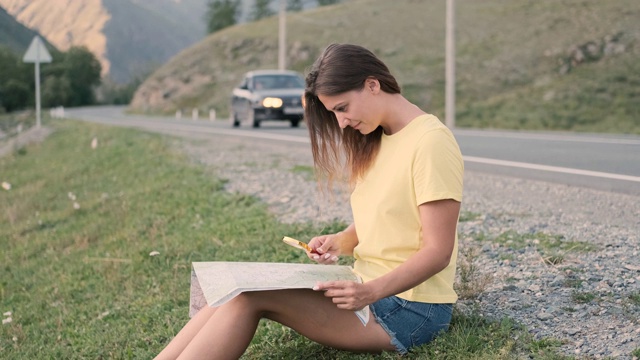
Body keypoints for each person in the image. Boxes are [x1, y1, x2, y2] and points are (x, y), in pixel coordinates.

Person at [154, 43, 464, 359]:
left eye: (342, 108)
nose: (341, 122)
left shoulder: (430, 141)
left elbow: (438, 251)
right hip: (367, 287)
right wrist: (340, 241)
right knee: (232, 289)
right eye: (334, 113)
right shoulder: (378, 138)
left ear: (373, 85)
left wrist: (368, 292)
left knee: (248, 297)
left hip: (410, 307)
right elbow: (386, 218)